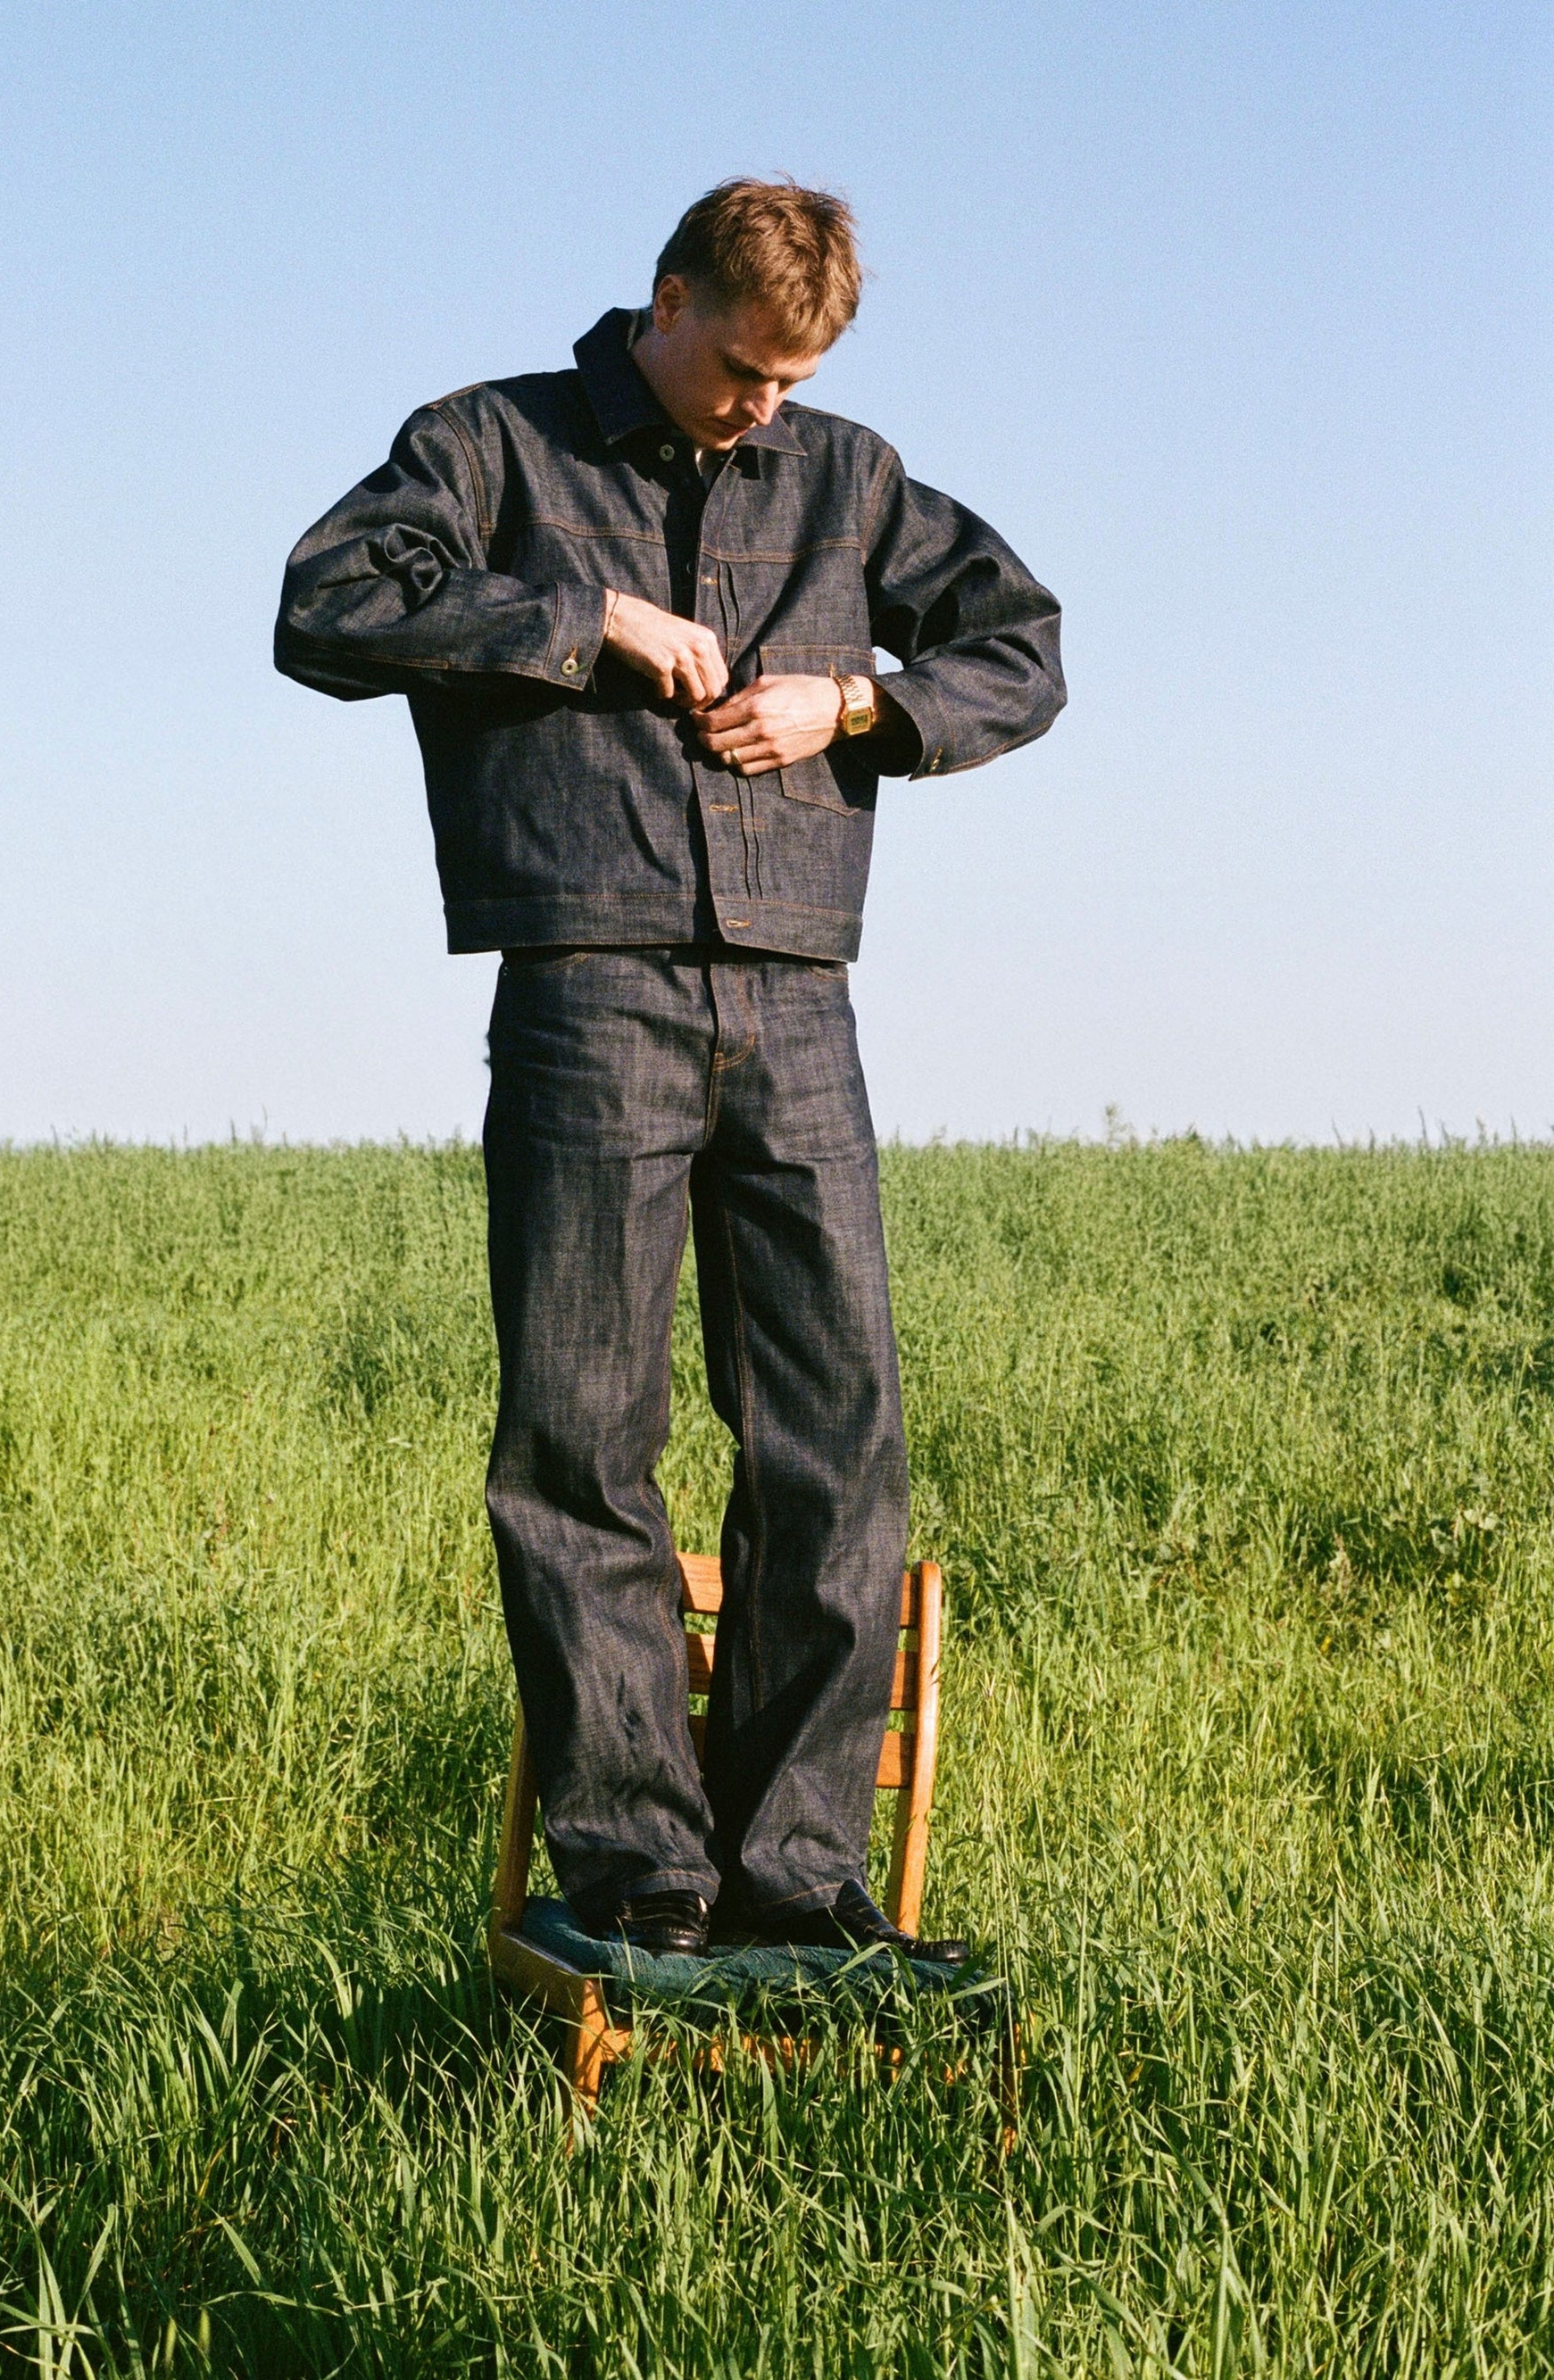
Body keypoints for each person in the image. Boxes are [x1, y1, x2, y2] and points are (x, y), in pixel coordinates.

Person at [276, 180, 1064, 1962]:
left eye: (798, 377)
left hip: (798, 999)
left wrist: (851, 704)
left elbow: (1023, 645)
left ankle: (800, 1875)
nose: (764, 406)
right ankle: (642, 1876)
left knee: (832, 1436)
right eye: (744, 366)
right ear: (666, 302)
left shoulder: (852, 480)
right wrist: (588, 619)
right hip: (586, 985)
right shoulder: (490, 444)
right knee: (580, 1432)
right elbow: (322, 601)